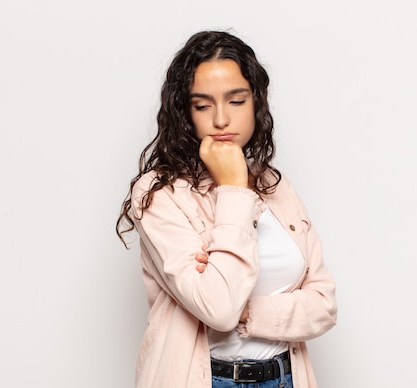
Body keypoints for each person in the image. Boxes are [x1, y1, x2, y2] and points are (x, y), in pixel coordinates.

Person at [116, 30, 337, 388]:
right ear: (185, 113)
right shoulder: (160, 195)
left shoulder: (275, 185)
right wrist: (234, 188)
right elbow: (219, 308)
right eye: (203, 105)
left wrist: (249, 312)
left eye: (236, 101)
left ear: (256, 104)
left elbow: (324, 305)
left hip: (284, 378)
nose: (221, 119)